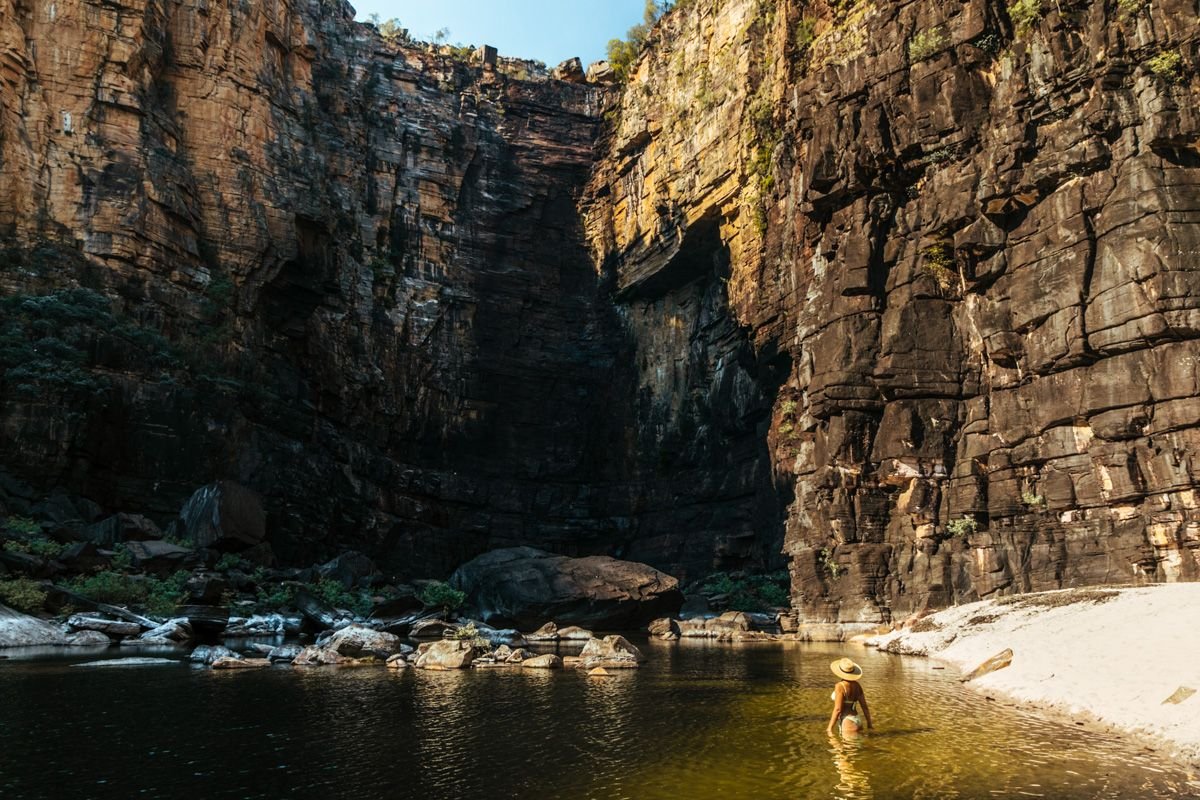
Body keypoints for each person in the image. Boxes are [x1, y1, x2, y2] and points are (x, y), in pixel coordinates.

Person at [826, 657, 872, 737]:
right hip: (857, 720)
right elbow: (864, 707)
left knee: (843, 748)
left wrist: (829, 728)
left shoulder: (839, 686)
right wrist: (869, 724)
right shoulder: (857, 685)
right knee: (856, 748)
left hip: (847, 721)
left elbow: (838, 709)